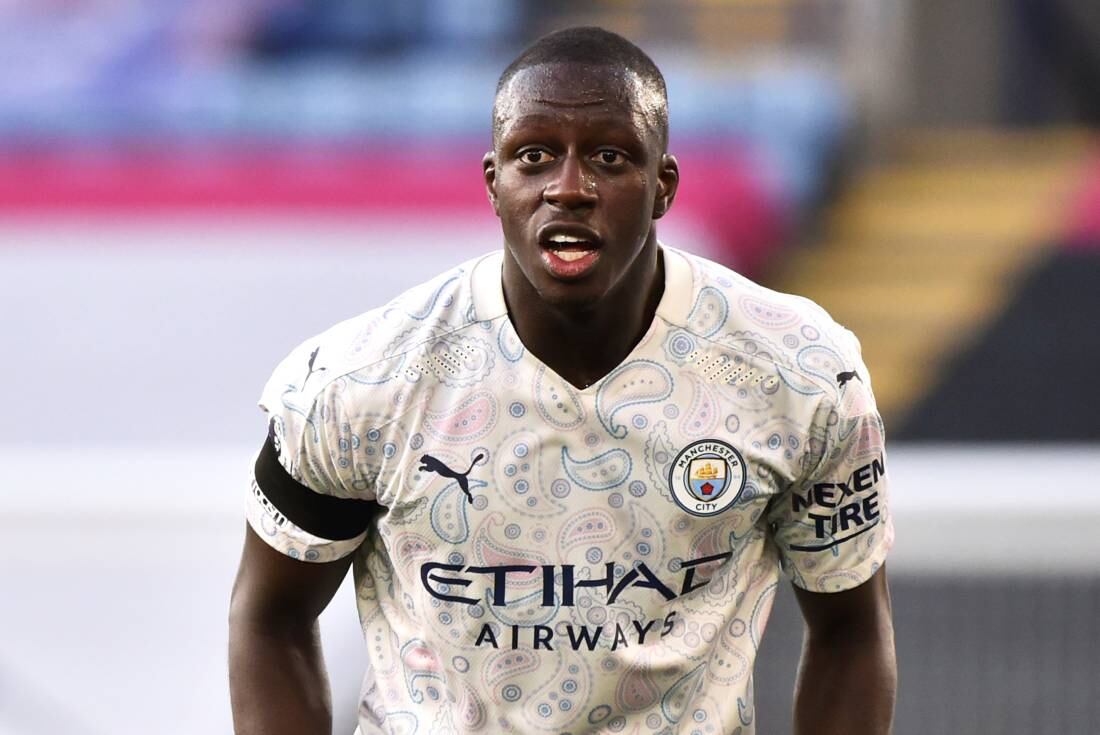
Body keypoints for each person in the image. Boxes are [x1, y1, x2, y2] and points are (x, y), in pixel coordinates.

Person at [229, 26, 896, 735]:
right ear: (495, 183)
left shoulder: (794, 372)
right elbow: (270, 615)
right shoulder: (362, 380)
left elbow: (852, 631)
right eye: (535, 156)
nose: (569, 188)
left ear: (663, 185)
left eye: (609, 157)